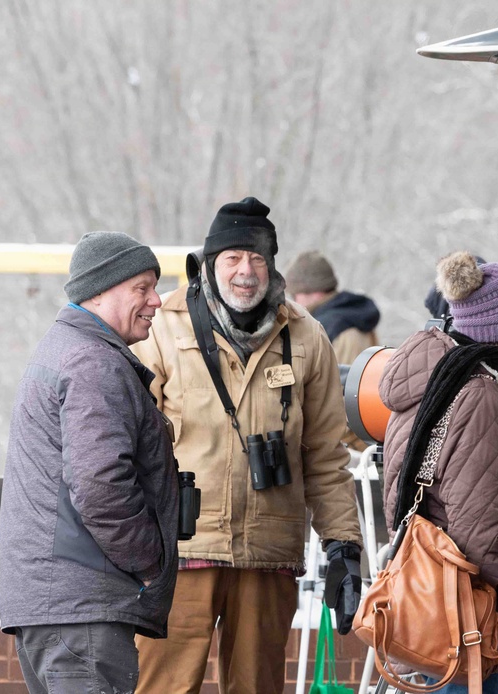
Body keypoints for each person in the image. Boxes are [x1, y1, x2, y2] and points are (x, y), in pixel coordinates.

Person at [130, 196, 364, 694]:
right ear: (210, 263)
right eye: (233, 258)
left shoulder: (307, 336)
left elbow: (325, 457)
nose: (245, 271)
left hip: (267, 554)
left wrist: (344, 546)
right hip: (179, 551)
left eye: (257, 258)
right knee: (162, 688)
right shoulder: (164, 327)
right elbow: (126, 441)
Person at [381, 251, 498, 694]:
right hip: (475, 620)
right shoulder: (481, 394)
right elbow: (482, 529)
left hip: (432, 602)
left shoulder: (431, 379)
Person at [0, 231, 179, 694]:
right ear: (99, 291)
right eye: (141, 287)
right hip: (82, 610)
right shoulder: (92, 362)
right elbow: (101, 485)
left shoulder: (66, 351)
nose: (156, 301)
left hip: (59, 606)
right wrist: (148, 563)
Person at [284, 249, 381, 365]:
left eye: (295, 295)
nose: (295, 301)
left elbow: (346, 381)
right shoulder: (352, 316)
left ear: (314, 291)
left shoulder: (340, 330)